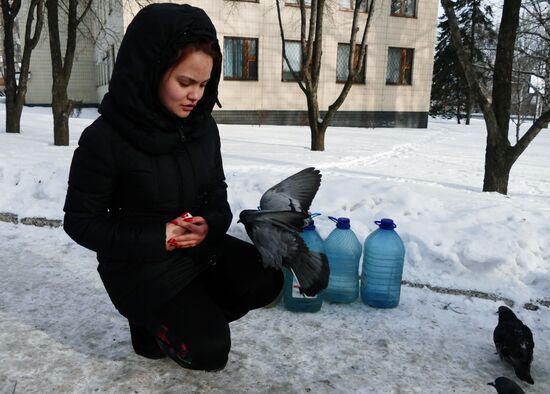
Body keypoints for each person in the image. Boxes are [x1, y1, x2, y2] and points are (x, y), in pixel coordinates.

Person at [63, 3, 283, 372]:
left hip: (197, 252)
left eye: (203, 84)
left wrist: (209, 224)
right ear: (150, 71)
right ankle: (151, 322)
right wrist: (158, 237)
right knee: (210, 352)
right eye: (185, 82)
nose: (196, 95)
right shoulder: (104, 139)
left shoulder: (202, 128)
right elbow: (80, 221)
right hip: (140, 268)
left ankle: (190, 313)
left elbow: (217, 192)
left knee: (266, 280)